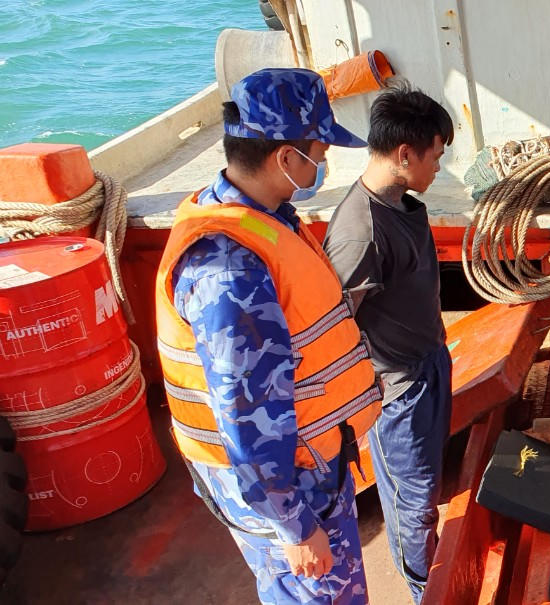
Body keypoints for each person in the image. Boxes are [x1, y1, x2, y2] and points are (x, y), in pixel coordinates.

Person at [154, 68, 381, 604]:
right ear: (285, 158)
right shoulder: (230, 271)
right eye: (319, 153)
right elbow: (244, 409)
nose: (323, 164)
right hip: (287, 489)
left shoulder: (261, 217)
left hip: (310, 467)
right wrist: (294, 526)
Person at [323, 85, 455, 602]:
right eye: (435, 156)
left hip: (429, 363)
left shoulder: (401, 202)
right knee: (412, 501)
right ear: (405, 154)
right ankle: (424, 592)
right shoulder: (360, 233)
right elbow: (335, 330)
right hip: (398, 392)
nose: (439, 167)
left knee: (428, 486)